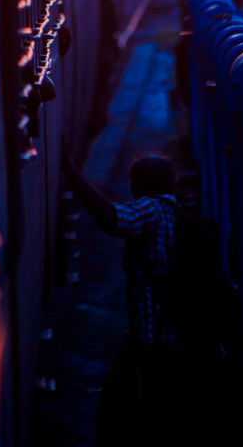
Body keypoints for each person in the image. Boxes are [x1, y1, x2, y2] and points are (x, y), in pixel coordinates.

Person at [61, 147, 186, 442]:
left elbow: (112, 219)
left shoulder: (151, 209)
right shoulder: (176, 214)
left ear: (136, 188)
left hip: (156, 339)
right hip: (175, 336)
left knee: (142, 415)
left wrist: (72, 172)